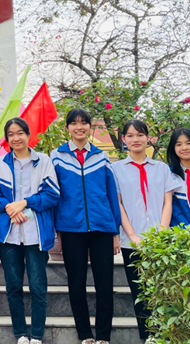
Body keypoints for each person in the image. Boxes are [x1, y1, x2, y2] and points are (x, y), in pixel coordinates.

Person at [50, 109, 121, 344]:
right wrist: (56, 229)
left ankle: (103, 336)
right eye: (74, 123)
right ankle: (85, 335)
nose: (79, 127)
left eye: (84, 123)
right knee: (76, 283)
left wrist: (115, 231)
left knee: (104, 284)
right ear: (67, 127)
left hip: (102, 227)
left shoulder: (102, 156)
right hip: (71, 229)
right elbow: (54, 194)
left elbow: (111, 195)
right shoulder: (57, 156)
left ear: (90, 126)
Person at [0, 118, 60, 344]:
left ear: (28, 135)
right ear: (7, 138)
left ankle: (37, 335)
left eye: (20, 133)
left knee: (38, 287)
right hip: (9, 235)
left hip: (36, 235)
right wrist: (10, 207)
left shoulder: (43, 161)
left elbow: (52, 194)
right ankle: (20, 333)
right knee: (13, 286)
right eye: (11, 134)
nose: (16, 138)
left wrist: (25, 203)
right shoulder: (1, 163)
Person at [112, 120, 181, 343]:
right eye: (130, 135)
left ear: (148, 138)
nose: (136, 139)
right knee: (139, 292)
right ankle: (148, 338)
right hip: (131, 241)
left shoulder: (161, 168)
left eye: (140, 135)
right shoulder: (116, 169)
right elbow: (118, 204)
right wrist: (132, 236)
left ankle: (165, 335)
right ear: (124, 139)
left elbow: (168, 202)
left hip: (160, 240)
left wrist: (161, 232)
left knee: (163, 290)